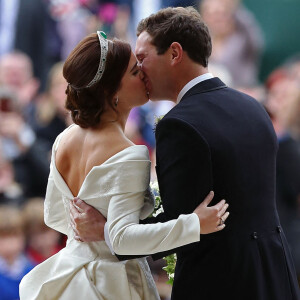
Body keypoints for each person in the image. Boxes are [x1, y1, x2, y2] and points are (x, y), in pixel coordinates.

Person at [70, 7, 300, 300]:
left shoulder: (180, 124)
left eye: (142, 58)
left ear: (175, 53)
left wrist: (107, 232)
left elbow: (182, 226)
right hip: (276, 275)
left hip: (220, 283)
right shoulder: (253, 107)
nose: (139, 70)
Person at [19, 31, 229, 300]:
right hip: (112, 285)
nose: (143, 73)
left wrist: (94, 233)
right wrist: (194, 225)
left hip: (68, 278)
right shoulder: (129, 154)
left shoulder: (65, 138)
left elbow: (55, 215)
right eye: (133, 71)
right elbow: (122, 240)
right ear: (110, 91)